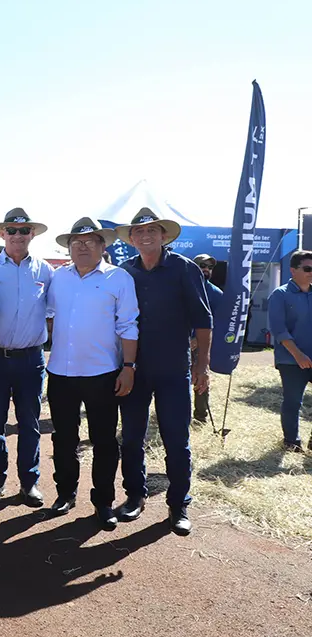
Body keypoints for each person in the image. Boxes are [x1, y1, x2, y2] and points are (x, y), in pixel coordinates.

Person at [116, 207, 212, 536]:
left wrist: (202, 365)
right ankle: (135, 495)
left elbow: (203, 320)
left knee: (176, 439)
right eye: (139, 232)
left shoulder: (184, 269)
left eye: (152, 231)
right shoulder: (124, 272)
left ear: (163, 235)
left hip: (173, 369)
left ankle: (178, 503)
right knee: (130, 437)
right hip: (134, 370)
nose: (145, 236)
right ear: (131, 239)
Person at [45, 218, 139, 530]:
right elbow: (48, 317)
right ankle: (65, 493)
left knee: (104, 441)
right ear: (69, 247)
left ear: (103, 246)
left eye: (90, 241)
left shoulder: (119, 278)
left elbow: (128, 325)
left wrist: (128, 367)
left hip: (103, 374)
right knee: (63, 439)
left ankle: (103, 501)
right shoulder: (58, 278)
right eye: (76, 242)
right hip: (61, 373)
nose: (82, 246)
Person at [0, 208, 54, 507]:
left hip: (30, 360)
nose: (18, 235)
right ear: (2, 234)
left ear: (32, 234)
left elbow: (53, 312)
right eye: (12, 230)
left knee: (29, 424)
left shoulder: (46, 271)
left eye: (24, 230)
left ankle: (29, 482)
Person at [268, 250, 312, 452]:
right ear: (293, 270)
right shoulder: (280, 295)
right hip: (291, 360)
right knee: (293, 401)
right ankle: (292, 442)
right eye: (307, 269)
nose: (311, 272)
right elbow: (279, 330)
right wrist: (298, 355)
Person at [191, 254, 224, 423]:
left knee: (201, 378)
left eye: (210, 267)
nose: (206, 269)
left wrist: (197, 341)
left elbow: (219, 321)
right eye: (202, 265)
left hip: (202, 345)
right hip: (177, 343)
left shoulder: (216, 294)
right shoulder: (183, 286)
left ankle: (200, 416)